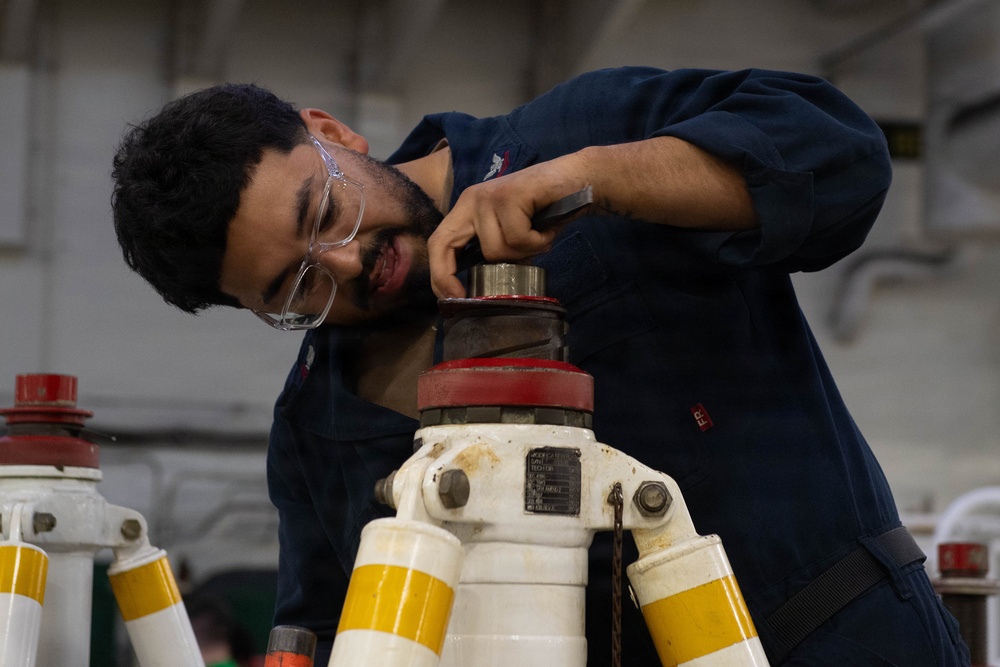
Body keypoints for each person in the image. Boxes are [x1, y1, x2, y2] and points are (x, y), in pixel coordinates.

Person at [111, 66, 970, 666]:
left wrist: (601, 179)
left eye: (325, 209)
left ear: (332, 134)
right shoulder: (314, 433)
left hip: (850, 640)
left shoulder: (585, 132)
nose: (343, 261)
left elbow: (841, 155)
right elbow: (332, 635)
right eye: (296, 285)